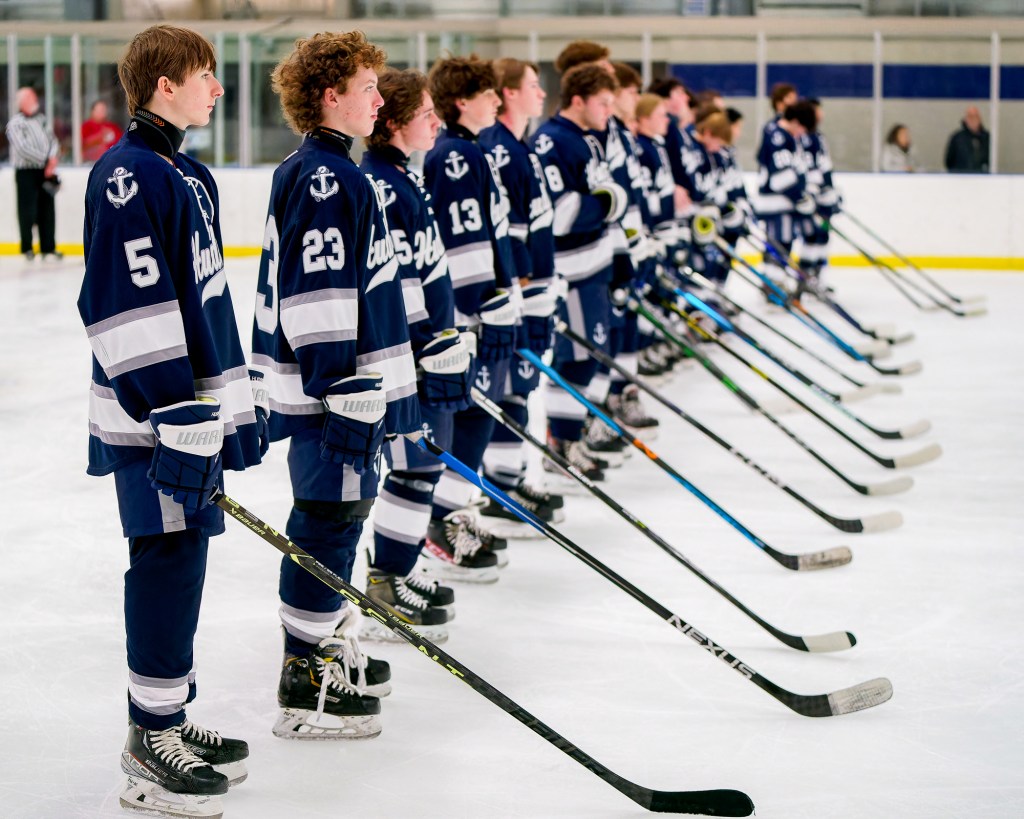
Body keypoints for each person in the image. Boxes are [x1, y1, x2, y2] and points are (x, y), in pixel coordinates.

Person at [76, 24, 265, 818]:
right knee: (165, 558)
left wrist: (230, 407)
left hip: (190, 417)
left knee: (186, 555)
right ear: (165, 83)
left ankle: (169, 715)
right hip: (155, 421)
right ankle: (149, 741)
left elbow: (206, 304)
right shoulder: (129, 173)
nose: (217, 89)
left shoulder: (185, 172)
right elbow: (120, 303)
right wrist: (171, 409)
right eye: (205, 75)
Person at [250, 31, 419, 741]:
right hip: (334, 397)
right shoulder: (327, 177)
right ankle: (306, 677)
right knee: (327, 518)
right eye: (367, 88)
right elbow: (315, 291)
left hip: (342, 392)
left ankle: (317, 648)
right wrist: (339, 384)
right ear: (330, 96)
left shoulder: (327, 168)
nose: (379, 100)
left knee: (337, 516)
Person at [360, 67, 468, 641]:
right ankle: (385, 581)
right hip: (410, 359)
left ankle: (396, 570)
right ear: (395, 123)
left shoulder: (405, 177)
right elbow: (395, 287)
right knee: (413, 466)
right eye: (426, 114)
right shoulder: (383, 186)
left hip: (426, 352)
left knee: (422, 467)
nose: (436, 122)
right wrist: (427, 347)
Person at [417, 53, 517, 580]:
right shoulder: (455, 155)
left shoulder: (469, 150)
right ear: (462, 101)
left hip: (476, 312)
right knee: (468, 417)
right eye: (487, 93)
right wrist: (485, 303)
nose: (497, 101)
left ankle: (451, 514)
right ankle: (439, 523)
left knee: (479, 415)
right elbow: (461, 237)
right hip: (465, 317)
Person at [477, 57, 566, 529]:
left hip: (534, 293)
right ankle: (499, 488)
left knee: (520, 387)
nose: (542, 93)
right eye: (533, 84)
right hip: (516, 295)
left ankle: (507, 483)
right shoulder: (500, 150)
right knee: (508, 387)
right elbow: (504, 233)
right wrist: (524, 288)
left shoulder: (519, 146)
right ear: (509, 92)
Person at [531, 63, 626, 481]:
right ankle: (561, 445)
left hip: (596, 265)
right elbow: (562, 214)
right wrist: (607, 204)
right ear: (578, 100)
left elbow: (605, 197)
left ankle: (573, 434)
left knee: (591, 357)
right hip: (572, 271)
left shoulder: (588, 140)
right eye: (602, 102)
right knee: (577, 358)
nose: (609, 110)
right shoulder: (552, 141)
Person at [754, 99, 817, 294]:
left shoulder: (787, 136)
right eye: (802, 128)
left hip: (784, 204)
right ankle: (773, 286)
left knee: (785, 243)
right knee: (779, 243)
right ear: (796, 122)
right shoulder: (778, 137)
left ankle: (775, 284)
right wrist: (800, 198)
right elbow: (779, 179)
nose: (802, 134)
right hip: (775, 204)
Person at [5, 86, 61, 260]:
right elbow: (22, 148)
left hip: (45, 170)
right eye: (30, 97)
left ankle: (48, 247)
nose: (35, 99)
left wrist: (52, 159)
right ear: (22, 102)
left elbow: (53, 140)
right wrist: (45, 160)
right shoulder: (15, 124)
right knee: (27, 210)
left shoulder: (41, 120)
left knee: (47, 209)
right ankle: (27, 247)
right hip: (26, 171)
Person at [944, 106, 989, 173]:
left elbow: (991, 160)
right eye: (970, 116)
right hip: (960, 177)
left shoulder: (987, 138)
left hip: (982, 177)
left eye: (975, 116)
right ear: (965, 119)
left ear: (980, 119)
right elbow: (949, 161)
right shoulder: (957, 138)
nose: (973, 119)